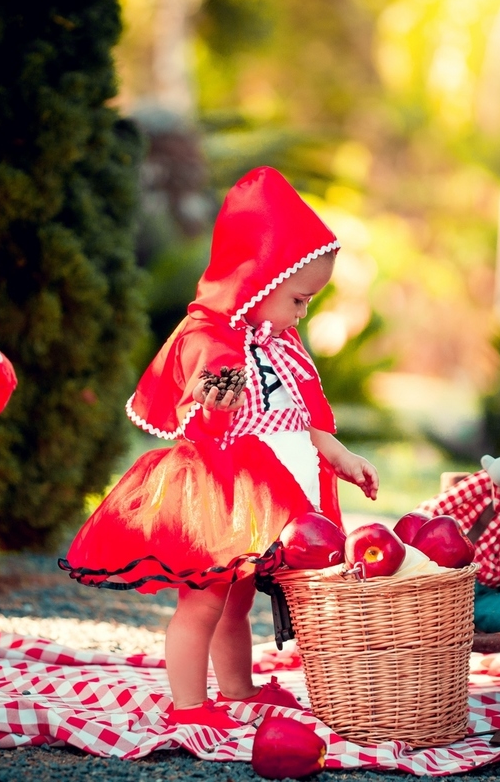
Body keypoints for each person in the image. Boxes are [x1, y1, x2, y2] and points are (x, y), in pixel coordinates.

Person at [59, 167, 379, 730]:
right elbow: (202, 425)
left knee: (238, 600)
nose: (302, 313)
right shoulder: (210, 339)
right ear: (257, 281)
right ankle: (188, 706)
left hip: (265, 495)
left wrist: (340, 457)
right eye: (299, 299)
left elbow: (305, 419)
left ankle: (237, 688)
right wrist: (212, 404)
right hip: (221, 494)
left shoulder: (281, 343)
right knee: (203, 601)